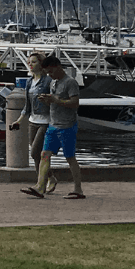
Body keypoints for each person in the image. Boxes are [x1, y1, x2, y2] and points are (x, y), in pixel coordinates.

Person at [21, 55, 85, 199]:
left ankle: (78, 189)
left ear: (57, 67)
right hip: (53, 125)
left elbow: (75, 103)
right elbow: (55, 102)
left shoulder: (70, 82)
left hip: (67, 125)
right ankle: (40, 186)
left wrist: (56, 100)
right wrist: (47, 101)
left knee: (70, 157)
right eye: (48, 73)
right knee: (44, 154)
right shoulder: (53, 82)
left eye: (51, 72)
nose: (49, 75)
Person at [8, 52, 57, 194]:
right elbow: (27, 106)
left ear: (41, 64)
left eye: (34, 62)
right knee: (36, 155)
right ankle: (49, 179)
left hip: (46, 122)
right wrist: (18, 121)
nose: (30, 64)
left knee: (36, 152)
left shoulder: (48, 81)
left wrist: (49, 99)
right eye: (29, 62)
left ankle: (39, 185)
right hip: (32, 121)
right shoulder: (29, 82)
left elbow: (56, 99)